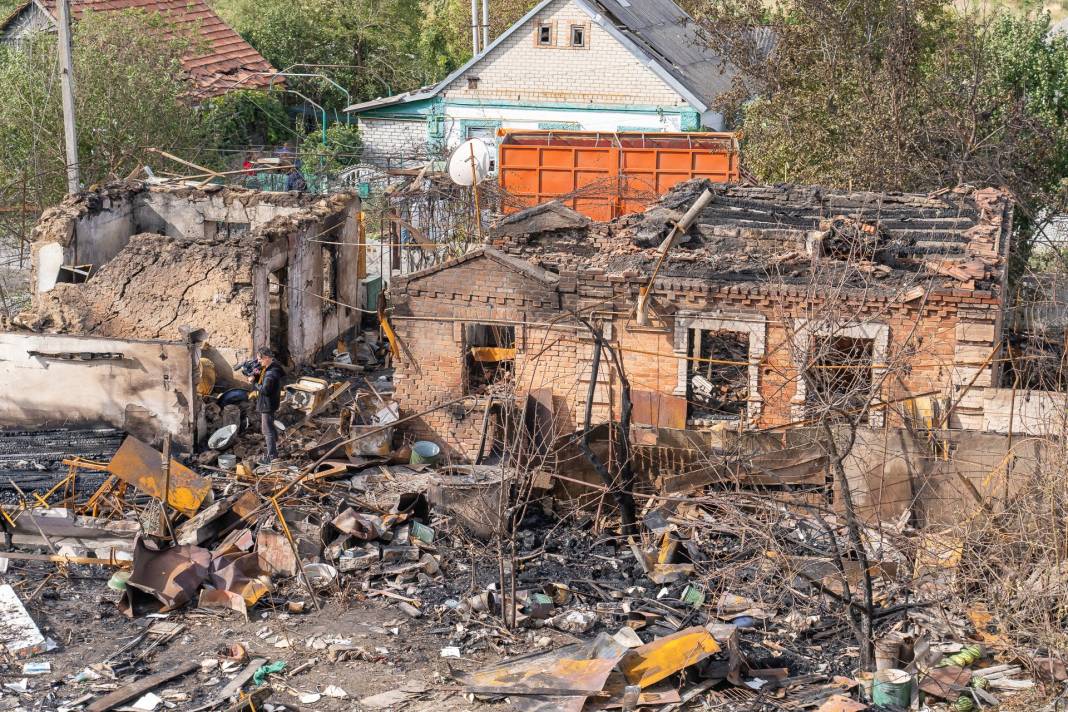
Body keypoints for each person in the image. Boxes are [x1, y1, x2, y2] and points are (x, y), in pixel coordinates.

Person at [248, 346, 285, 463]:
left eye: (260, 359)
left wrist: (253, 381)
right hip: (272, 402)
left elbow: (265, 390)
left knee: (266, 430)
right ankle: (277, 445)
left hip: (267, 405)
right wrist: (257, 374)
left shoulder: (271, 374)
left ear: (267, 358)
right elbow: (264, 377)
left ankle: (272, 457)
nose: (258, 362)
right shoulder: (274, 366)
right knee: (270, 426)